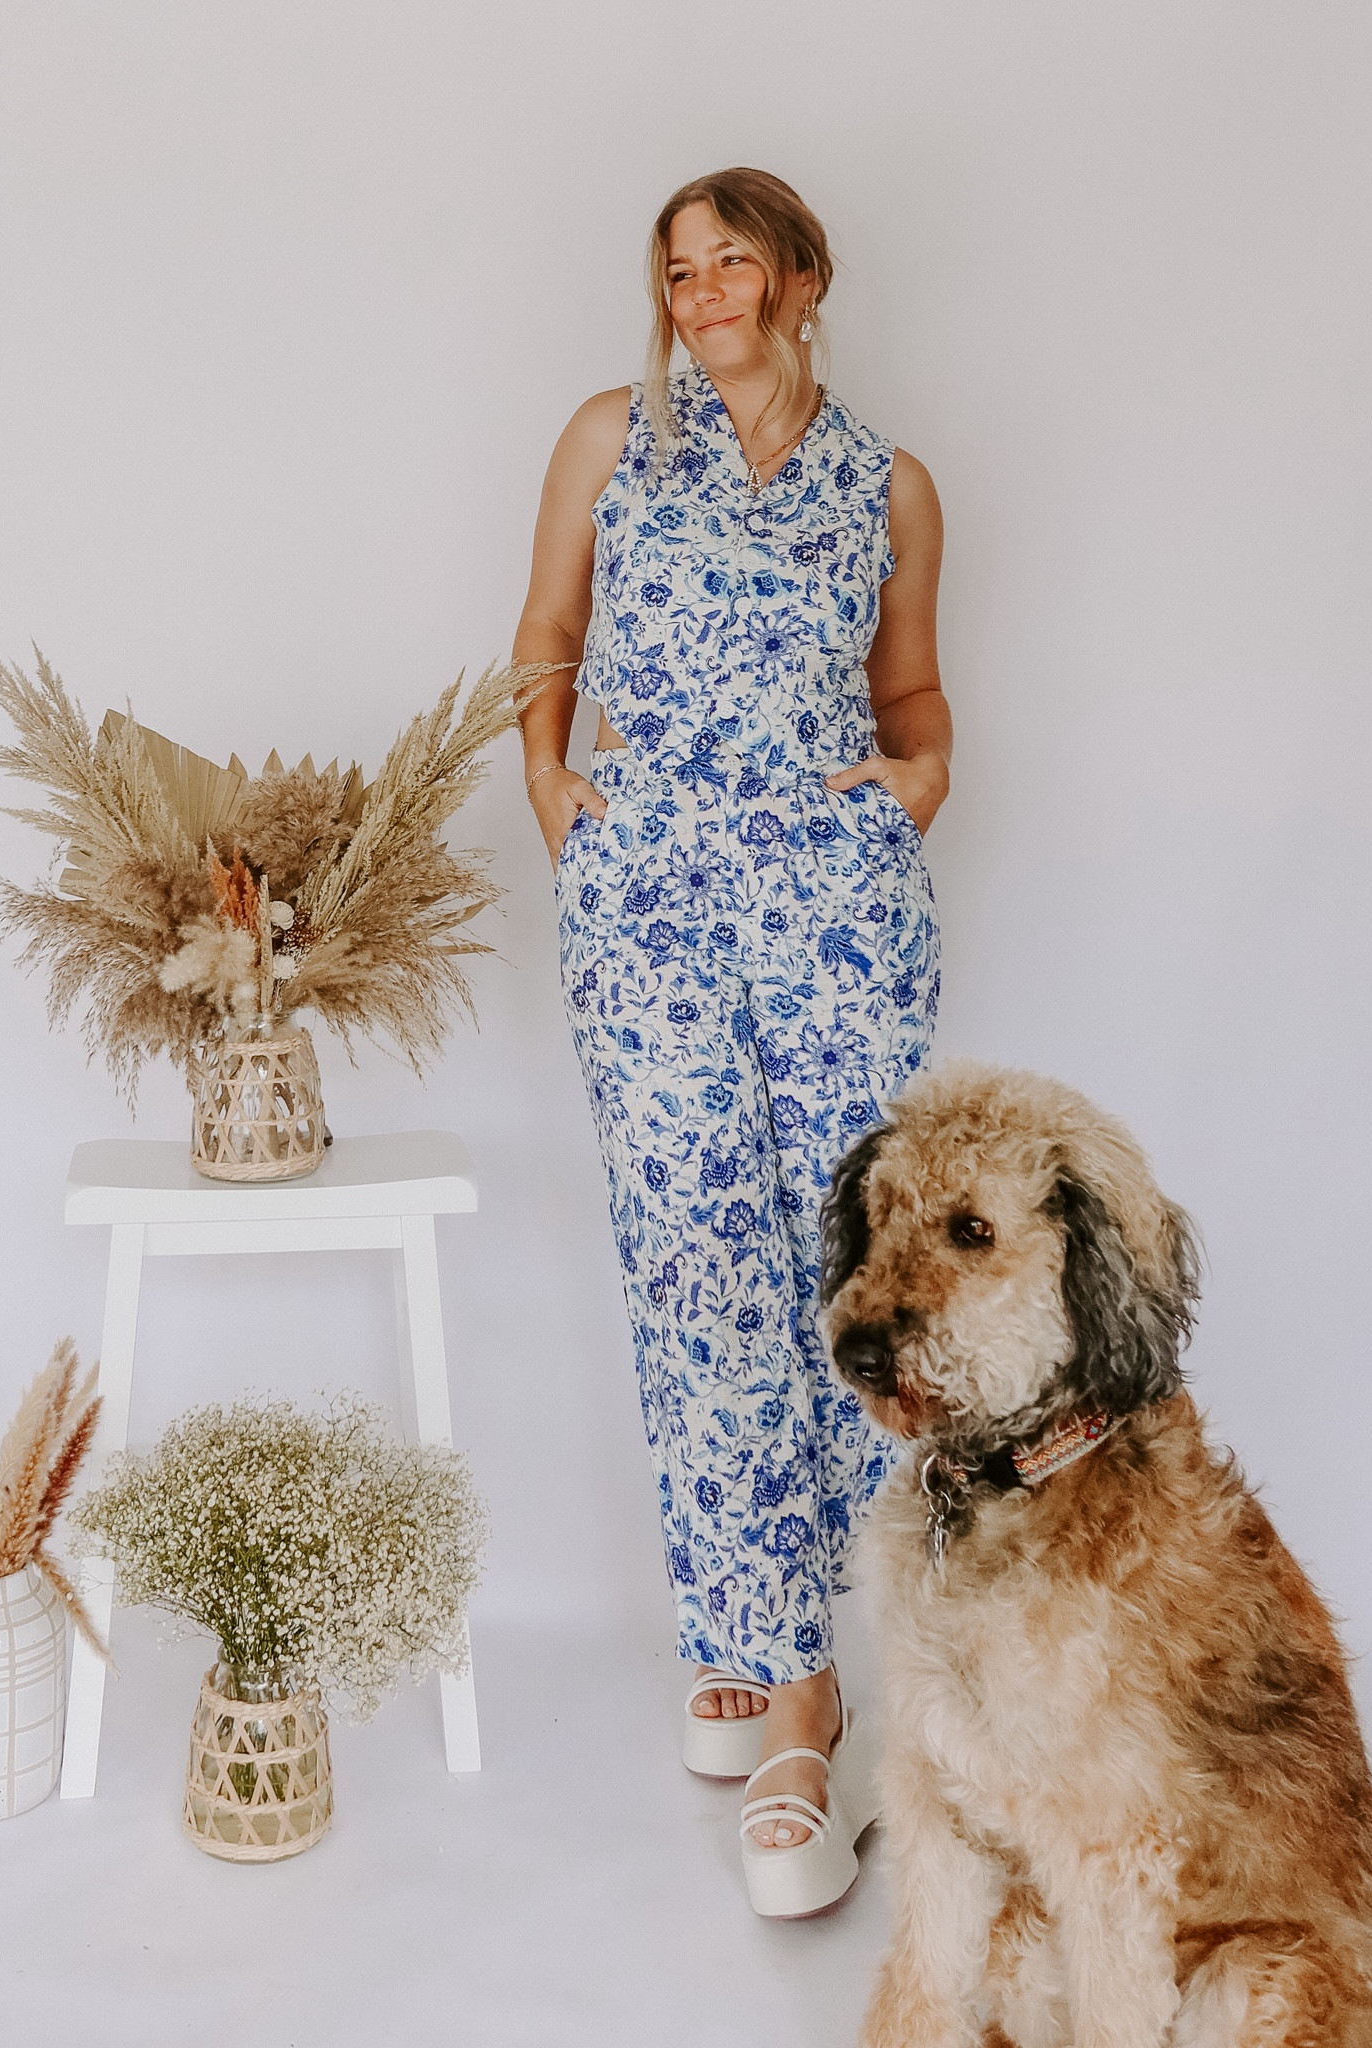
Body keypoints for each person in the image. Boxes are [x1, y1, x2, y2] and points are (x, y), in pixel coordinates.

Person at [512, 166, 951, 1915]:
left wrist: (917, 779)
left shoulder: (890, 485)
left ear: (801, 278)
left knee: (846, 1272)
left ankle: (800, 1677)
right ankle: (760, 1647)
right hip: (648, 904)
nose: (700, 291)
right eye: (675, 268)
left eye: (731, 263)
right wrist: (561, 801)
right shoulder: (613, 439)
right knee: (695, 1256)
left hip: (837, 911)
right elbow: (545, 639)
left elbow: (909, 693)